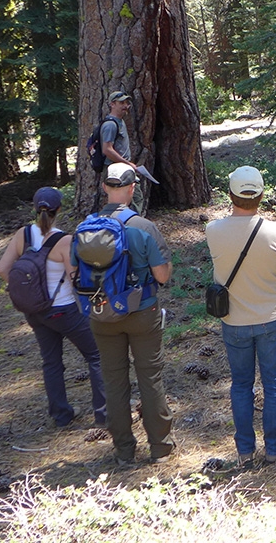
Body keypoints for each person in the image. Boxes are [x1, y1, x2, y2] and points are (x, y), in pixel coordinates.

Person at [206, 166, 276, 466]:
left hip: (233, 319)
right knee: (274, 384)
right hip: (271, 316)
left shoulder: (213, 230)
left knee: (241, 385)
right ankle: (275, 449)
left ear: (230, 195)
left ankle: (245, 451)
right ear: (261, 194)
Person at [0, 187, 105, 428]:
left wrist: (32, 292)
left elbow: (2, 270)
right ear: (60, 210)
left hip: (35, 312)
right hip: (63, 310)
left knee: (51, 362)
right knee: (97, 354)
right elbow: (75, 278)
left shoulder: (22, 235)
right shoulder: (63, 240)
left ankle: (61, 415)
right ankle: (104, 413)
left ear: (35, 209)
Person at [89, 163, 173, 464]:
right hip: (141, 311)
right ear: (132, 188)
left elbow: (75, 272)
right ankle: (161, 447)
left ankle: (124, 450)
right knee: (149, 377)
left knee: (113, 381)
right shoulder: (143, 227)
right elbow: (162, 275)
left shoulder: (86, 227)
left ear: (104, 188)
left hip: (101, 313)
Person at [99, 91, 146, 213]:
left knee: (133, 198)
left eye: (126, 103)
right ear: (112, 104)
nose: (126, 106)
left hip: (122, 167)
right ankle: (134, 225)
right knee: (135, 198)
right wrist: (128, 163)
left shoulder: (120, 122)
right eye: (121, 103)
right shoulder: (110, 125)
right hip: (115, 168)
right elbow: (107, 149)